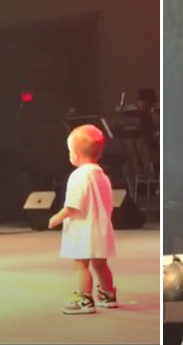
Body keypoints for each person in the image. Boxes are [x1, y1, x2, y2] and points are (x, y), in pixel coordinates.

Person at [49, 124, 118, 314]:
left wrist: (57, 217)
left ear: (76, 154)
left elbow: (73, 205)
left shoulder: (78, 176)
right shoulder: (102, 175)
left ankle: (84, 298)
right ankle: (108, 293)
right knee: (100, 264)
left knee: (81, 264)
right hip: (101, 229)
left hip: (83, 231)